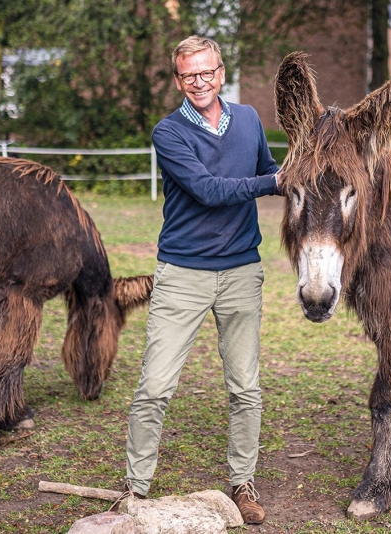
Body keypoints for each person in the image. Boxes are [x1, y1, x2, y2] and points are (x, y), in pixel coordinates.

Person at [120, 35, 279, 525]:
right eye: (188, 74)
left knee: (245, 388)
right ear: (177, 80)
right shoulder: (168, 133)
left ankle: (243, 482)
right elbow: (211, 191)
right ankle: (135, 488)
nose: (199, 82)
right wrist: (274, 182)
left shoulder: (250, 119)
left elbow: (270, 169)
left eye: (207, 72)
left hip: (241, 272)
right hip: (183, 273)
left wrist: (295, 175)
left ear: (221, 72)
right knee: (154, 386)